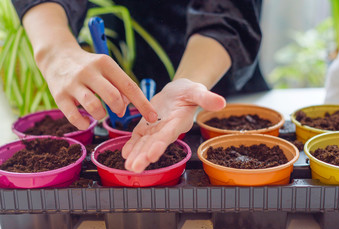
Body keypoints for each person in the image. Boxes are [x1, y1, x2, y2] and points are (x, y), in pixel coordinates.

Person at [12, 0, 267, 173]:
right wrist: (55, 50)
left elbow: (227, 12)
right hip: (111, 58)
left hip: (212, 69)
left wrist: (189, 81)